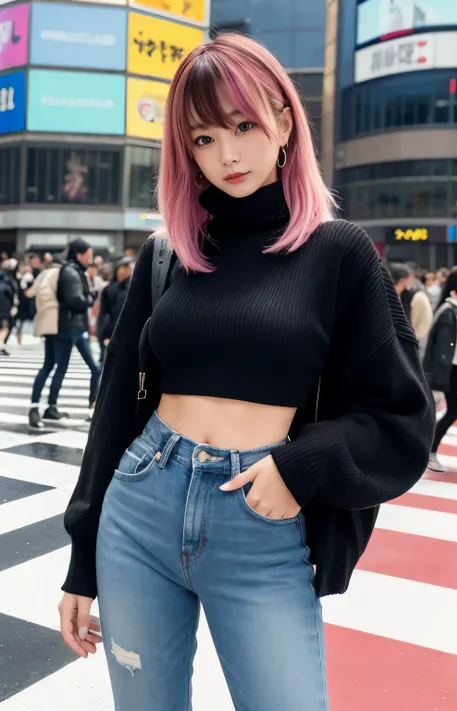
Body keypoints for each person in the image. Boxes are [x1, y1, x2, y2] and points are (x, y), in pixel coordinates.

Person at [58, 34, 434, 710]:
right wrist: (81, 557)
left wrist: (301, 467)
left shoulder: (339, 252)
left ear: (285, 120)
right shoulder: (169, 252)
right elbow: (117, 405)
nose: (227, 153)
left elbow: (402, 415)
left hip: (260, 514)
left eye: (242, 125)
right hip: (140, 503)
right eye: (202, 138)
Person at [424, 267, 457, 474]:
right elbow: (441, 350)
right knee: (452, 412)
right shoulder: (447, 312)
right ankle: (429, 451)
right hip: (453, 372)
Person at [50, 238, 101, 420]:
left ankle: (51, 406)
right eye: (89, 254)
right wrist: (91, 297)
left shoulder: (73, 270)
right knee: (95, 368)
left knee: (61, 368)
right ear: (79, 255)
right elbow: (76, 300)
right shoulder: (72, 272)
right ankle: (93, 406)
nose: (91, 258)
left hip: (69, 326)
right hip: (74, 328)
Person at [28, 254, 66, 429]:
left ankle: (34, 406)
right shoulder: (60, 273)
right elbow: (66, 297)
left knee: (48, 365)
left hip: (44, 322)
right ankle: (51, 406)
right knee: (61, 365)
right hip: (58, 323)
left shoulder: (43, 274)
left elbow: (29, 293)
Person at [389, 262, 433, 342]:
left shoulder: (411, 296)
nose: (412, 280)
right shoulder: (388, 295)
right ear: (402, 280)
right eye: (410, 277)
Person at [98, 257, 135, 348]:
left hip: (119, 333)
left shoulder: (110, 288)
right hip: (117, 332)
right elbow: (104, 313)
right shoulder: (111, 289)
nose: (122, 273)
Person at [0, 260, 16, 356]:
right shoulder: (8, 282)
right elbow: (11, 295)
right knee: (5, 328)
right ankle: (1, 346)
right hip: (4, 309)